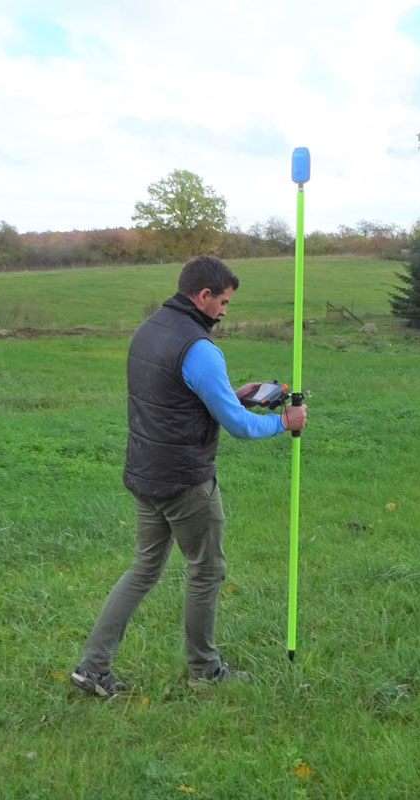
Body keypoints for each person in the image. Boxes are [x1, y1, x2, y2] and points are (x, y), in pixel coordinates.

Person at [71, 255, 308, 697]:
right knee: (207, 570)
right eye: (223, 302)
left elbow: (170, 395)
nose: (223, 310)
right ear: (203, 296)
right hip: (186, 482)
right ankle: (205, 669)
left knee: (144, 567)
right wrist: (284, 423)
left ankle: (92, 666)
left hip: (145, 472)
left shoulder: (149, 329)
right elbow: (239, 426)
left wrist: (229, 395)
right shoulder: (200, 349)